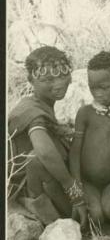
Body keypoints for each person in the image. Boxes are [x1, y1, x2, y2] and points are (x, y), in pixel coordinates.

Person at [8, 46, 87, 228]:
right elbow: (43, 153)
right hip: (29, 187)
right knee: (37, 159)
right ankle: (57, 220)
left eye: (62, 75)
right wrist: (73, 190)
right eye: (48, 79)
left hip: (45, 180)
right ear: (31, 81)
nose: (59, 84)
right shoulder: (30, 111)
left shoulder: (43, 105)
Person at [69, 51, 110, 228]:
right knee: (95, 216)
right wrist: (76, 185)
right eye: (92, 87)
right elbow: (75, 152)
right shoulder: (86, 113)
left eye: (104, 87)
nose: (97, 93)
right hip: (87, 181)